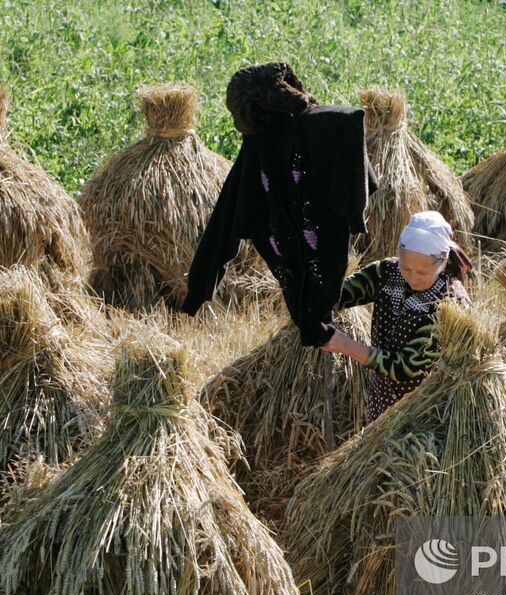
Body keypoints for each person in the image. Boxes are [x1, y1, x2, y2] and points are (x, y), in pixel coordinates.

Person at [181, 61, 378, 347]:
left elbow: (225, 217)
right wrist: (199, 288)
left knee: (314, 298)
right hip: (305, 265)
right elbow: (227, 214)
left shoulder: (322, 128)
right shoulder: (263, 145)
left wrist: (196, 292)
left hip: (318, 264)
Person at [321, 211, 473, 424]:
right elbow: (339, 295)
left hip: (424, 412)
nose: (412, 278)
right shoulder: (386, 272)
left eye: (421, 273)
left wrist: (344, 345)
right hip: (382, 402)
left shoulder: (450, 304)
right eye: (406, 268)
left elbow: (406, 367)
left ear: (444, 259)